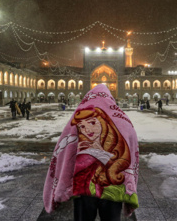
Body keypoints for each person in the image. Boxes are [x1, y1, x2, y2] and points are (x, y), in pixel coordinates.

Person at [43, 84, 139, 221]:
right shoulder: (122, 118)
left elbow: (64, 151)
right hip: (114, 185)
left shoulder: (78, 116)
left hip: (83, 188)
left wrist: (64, 178)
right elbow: (133, 148)